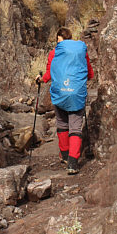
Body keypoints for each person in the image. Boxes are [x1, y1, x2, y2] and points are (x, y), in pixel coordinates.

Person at [35, 27, 94, 175]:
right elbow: (90, 74)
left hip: (60, 93)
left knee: (62, 124)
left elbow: (48, 75)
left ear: (58, 40)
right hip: (76, 94)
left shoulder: (54, 53)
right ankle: (73, 164)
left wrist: (40, 79)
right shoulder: (81, 51)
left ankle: (65, 155)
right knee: (75, 127)